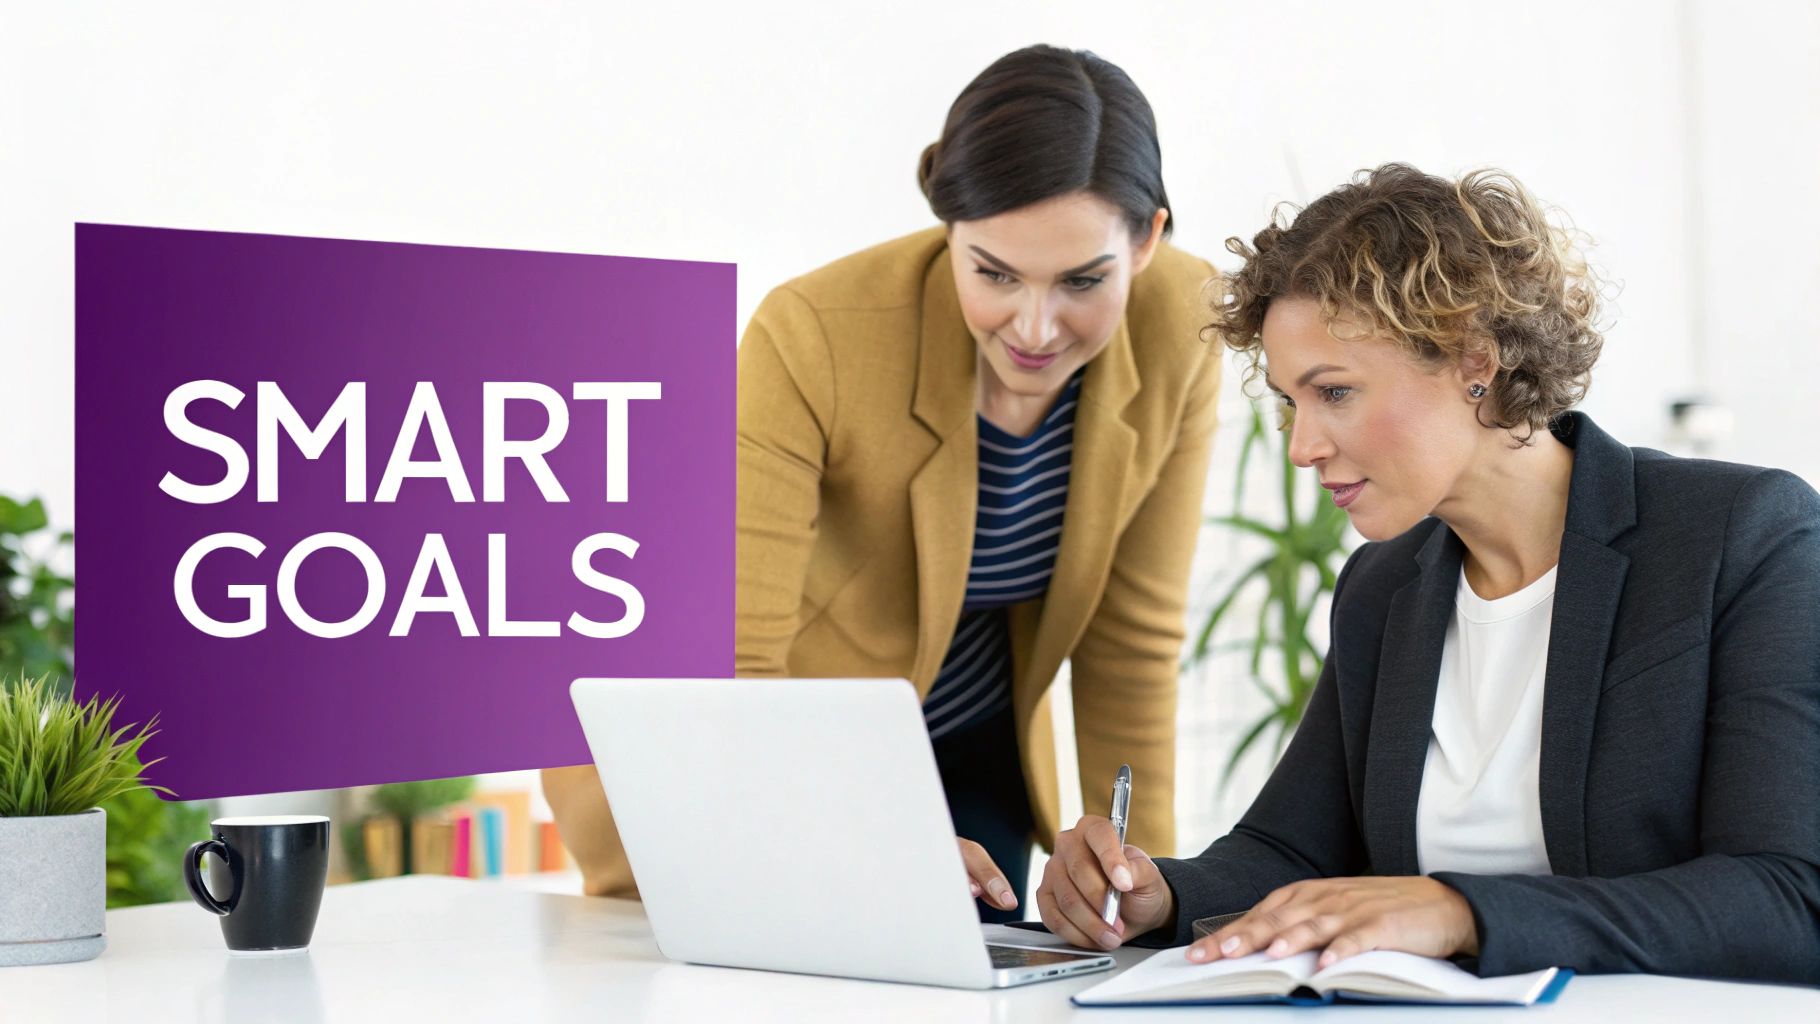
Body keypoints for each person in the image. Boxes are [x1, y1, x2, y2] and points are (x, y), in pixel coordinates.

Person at [1037, 163, 1820, 984]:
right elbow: (1290, 849)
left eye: (1335, 392)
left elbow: (1791, 897)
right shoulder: (1384, 587)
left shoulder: (1742, 537)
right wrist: (1156, 893)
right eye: (1293, 403)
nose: (1303, 447)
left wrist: (1461, 912)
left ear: (1473, 360)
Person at [542, 44, 1222, 920]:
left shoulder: (1180, 328)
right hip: (760, 754)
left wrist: (1147, 902)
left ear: (1148, 240)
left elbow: (1130, 645)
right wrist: (855, 837)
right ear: (949, 229)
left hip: (969, 747)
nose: (1035, 328)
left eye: (1083, 281)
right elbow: (735, 661)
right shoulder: (813, 335)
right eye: (994, 273)